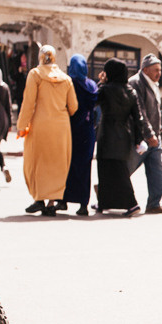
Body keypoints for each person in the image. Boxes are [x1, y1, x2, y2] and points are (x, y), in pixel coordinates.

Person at [16, 45, 77, 216]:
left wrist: (21, 126)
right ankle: (51, 203)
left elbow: (28, 103)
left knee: (37, 162)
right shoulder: (66, 79)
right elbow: (73, 107)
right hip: (61, 127)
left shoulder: (35, 75)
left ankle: (39, 199)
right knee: (57, 164)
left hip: (40, 126)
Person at [93, 58, 142, 217]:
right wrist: (138, 140)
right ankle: (103, 203)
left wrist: (101, 83)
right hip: (124, 135)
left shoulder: (105, 89)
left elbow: (93, 100)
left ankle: (132, 204)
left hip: (107, 133)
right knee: (119, 169)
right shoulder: (131, 91)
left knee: (106, 170)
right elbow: (138, 118)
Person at [130, 54, 162, 214]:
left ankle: (154, 203)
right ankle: (104, 189)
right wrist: (149, 133)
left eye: (160, 70)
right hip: (141, 137)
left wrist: (158, 134)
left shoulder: (153, 84)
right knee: (127, 169)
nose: (159, 73)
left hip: (154, 138)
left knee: (158, 171)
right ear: (145, 70)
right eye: (155, 70)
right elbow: (140, 112)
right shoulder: (136, 83)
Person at [63, 54, 98, 215]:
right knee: (84, 169)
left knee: (67, 166)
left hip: (71, 130)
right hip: (88, 132)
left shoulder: (69, 84)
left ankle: (62, 200)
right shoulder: (92, 85)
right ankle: (83, 204)